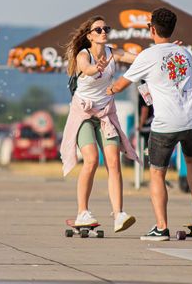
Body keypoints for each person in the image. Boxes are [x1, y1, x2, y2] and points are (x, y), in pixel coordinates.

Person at [106, 7, 192, 241]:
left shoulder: (147, 55)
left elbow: (122, 84)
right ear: (172, 30)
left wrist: (107, 90)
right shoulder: (185, 53)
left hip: (166, 123)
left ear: (151, 29)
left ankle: (161, 227)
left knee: (157, 173)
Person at [60, 16, 142, 233]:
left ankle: (119, 214)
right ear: (89, 36)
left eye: (106, 28)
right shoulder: (82, 55)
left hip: (106, 113)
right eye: (98, 30)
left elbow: (138, 58)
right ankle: (82, 212)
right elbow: (86, 69)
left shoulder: (112, 53)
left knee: (114, 161)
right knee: (91, 160)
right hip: (84, 114)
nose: (104, 32)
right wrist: (96, 68)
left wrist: (164, 52)